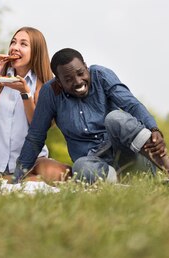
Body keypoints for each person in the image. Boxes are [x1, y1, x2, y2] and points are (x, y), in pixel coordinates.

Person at [12, 48, 169, 184]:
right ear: (59, 82)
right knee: (80, 166)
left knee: (116, 118)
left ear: (86, 67)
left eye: (81, 73)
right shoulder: (50, 92)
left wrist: (153, 128)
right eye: (68, 79)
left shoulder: (101, 75)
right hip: (97, 168)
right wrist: (17, 177)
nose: (78, 81)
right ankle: (120, 186)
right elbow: (35, 136)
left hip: (132, 158)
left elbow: (131, 104)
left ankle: (166, 169)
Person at [0, 27, 70, 182]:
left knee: (56, 172)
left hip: (33, 162)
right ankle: (14, 181)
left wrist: (25, 94)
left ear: (36, 52)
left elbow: (38, 126)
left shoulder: (43, 85)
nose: (15, 47)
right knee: (29, 183)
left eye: (23, 44)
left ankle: (16, 180)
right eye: (13, 42)